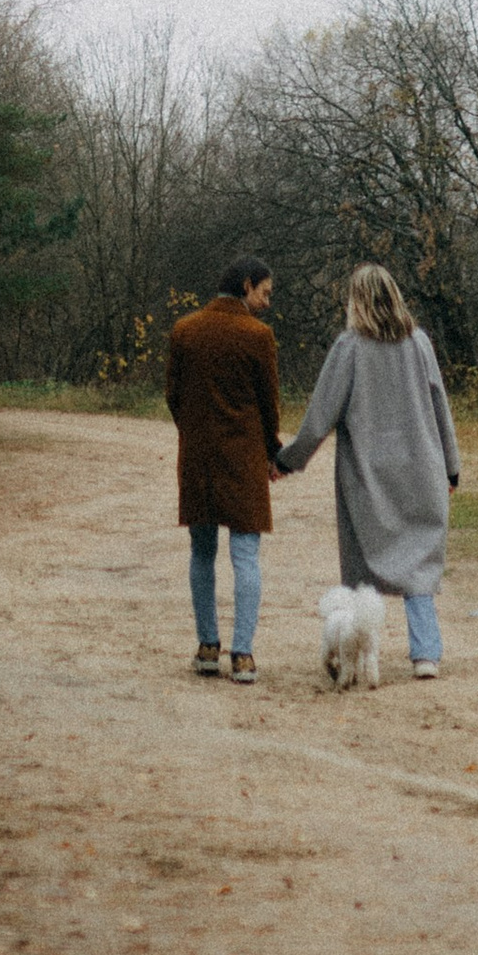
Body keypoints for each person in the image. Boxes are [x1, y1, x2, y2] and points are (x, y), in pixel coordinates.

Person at [277, 263, 462, 680]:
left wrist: (288, 460)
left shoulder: (350, 348)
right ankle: (426, 655)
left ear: (355, 301)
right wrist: (451, 467)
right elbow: (441, 409)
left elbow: (320, 415)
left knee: (366, 567)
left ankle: (359, 652)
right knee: (419, 566)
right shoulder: (420, 344)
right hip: (422, 470)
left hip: (367, 475)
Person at [165, 257, 282, 685]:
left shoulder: (185, 330)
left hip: (197, 457)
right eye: (265, 292)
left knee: (201, 551)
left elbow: (173, 395)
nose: (267, 303)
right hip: (245, 458)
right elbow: (269, 405)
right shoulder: (258, 336)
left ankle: (208, 646)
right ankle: (244, 654)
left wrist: (194, 432)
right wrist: (272, 452)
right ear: (247, 285)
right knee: (246, 554)